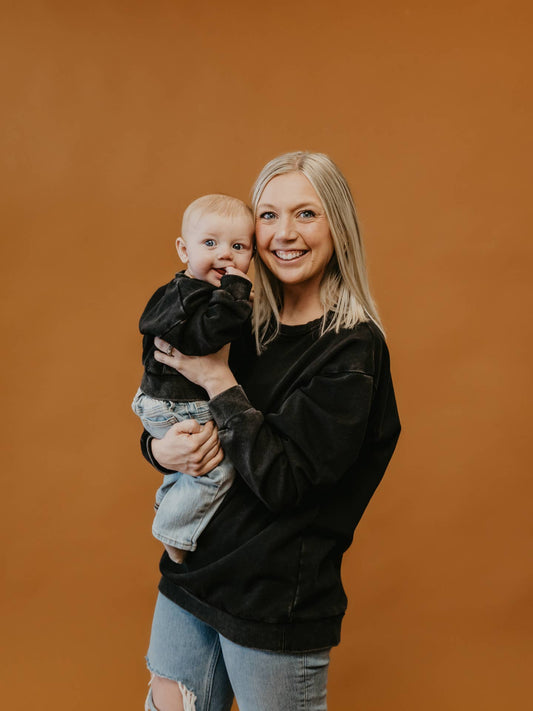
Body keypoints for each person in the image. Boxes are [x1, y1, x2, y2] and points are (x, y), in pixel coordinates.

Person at [139, 152, 401, 711]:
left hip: (272, 602)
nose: (285, 233)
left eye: (306, 214)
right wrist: (159, 448)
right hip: (192, 581)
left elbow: (284, 482)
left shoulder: (352, 349)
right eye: (269, 215)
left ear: (338, 226)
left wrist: (217, 380)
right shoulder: (240, 321)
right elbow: (171, 408)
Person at [132, 194, 254, 564]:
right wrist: (234, 294)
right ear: (184, 250)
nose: (226, 255)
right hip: (178, 404)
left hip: (162, 400)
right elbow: (204, 339)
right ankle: (174, 535)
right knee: (218, 469)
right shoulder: (194, 297)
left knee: (194, 461)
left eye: (238, 246)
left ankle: (170, 500)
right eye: (210, 243)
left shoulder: (183, 291)